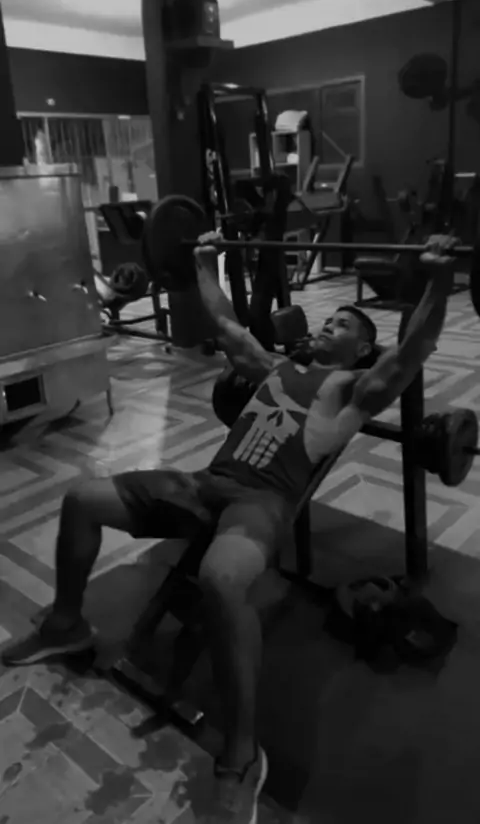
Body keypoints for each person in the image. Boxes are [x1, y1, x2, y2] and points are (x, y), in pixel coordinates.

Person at [1, 234, 455, 824]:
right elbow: (224, 322)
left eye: (343, 325)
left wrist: (437, 281)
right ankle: (66, 625)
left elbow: (414, 349)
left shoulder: (354, 392)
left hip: (261, 505)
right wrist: (201, 261)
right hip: (205, 484)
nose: (328, 324)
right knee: (82, 499)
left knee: (220, 578)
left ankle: (242, 751)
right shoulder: (275, 367)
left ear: (363, 349)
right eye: (330, 318)